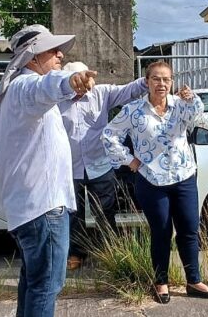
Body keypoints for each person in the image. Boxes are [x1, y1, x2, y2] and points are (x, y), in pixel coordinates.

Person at [0, 25, 96, 317]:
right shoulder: (25, 86)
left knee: (32, 274)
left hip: (33, 203)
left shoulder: (16, 90)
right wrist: (69, 82)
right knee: (47, 281)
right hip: (43, 204)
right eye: (53, 51)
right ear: (32, 56)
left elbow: (50, 90)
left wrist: (68, 86)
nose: (61, 55)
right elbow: (48, 85)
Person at [102, 61, 208, 304]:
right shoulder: (134, 110)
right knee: (161, 232)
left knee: (189, 229)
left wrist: (192, 98)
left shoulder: (179, 105)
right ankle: (161, 282)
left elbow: (196, 115)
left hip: (183, 176)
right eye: (156, 79)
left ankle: (194, 281)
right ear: (146, 82)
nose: (161, 83)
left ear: (172, 82)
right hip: (151, 180)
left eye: (166, 79)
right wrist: (129, 160)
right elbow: (109, 135)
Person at [58, 61, 148, 270]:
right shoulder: (58, 100)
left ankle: (110, 250)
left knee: (106, 211)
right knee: (74, 214)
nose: (84, 86)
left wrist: (148, 79)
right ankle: (77, 253)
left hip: (100, 165)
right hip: (71, 168)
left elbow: (129, 91)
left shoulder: (102, 93)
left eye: (86, 80)